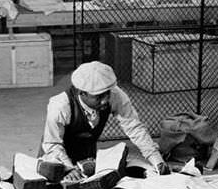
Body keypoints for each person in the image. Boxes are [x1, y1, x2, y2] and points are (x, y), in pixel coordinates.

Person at [40, 61, 169, 179]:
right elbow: (52, 144)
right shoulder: (60, 105)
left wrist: (157, 159)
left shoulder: (115, 94)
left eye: (107, 93)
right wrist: (67, 169)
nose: (105, 100)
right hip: (55, 157)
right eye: (99, 96)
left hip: (86, 156)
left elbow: (134, 127)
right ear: (82, 92)